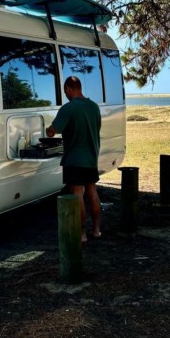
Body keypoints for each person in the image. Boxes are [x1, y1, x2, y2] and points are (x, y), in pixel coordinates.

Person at [46, 76, 101, 242]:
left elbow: (52, 131)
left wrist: (49, 128)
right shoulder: (94, 107)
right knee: (92, 192)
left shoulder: (68, 108)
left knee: (78, 195)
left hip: (74, 159)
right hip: (91, 157)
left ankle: (82, 233)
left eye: (66, 92)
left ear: (69, 89)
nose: (66, 95)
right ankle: (97, 230)